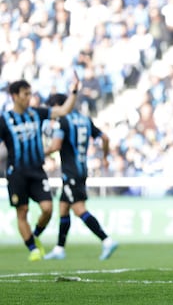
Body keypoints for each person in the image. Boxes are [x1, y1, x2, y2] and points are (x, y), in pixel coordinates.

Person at [0, 76, 80, 261]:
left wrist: (74, 91)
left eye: (30, 94)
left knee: (47, 209)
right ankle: (33, 249)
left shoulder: (36, 113)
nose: (29, 97)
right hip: (16, 173)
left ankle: (34, 235)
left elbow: (64, 110)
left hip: (37, 171)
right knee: (22, 211)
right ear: (14, 96)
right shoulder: (4, 120)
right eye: (25, 94)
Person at [43, 93, 118, 261]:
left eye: (52, 108)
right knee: (63, 207)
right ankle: (59, 248)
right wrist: (105, 157)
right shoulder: (85, 120)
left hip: (70, 172)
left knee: (78, 209)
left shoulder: (62, 121)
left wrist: (38, 154)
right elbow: (105, 138)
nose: (51, 113)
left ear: (60, 106)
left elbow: (55, 146)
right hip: (82, 169)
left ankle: (106, 240)